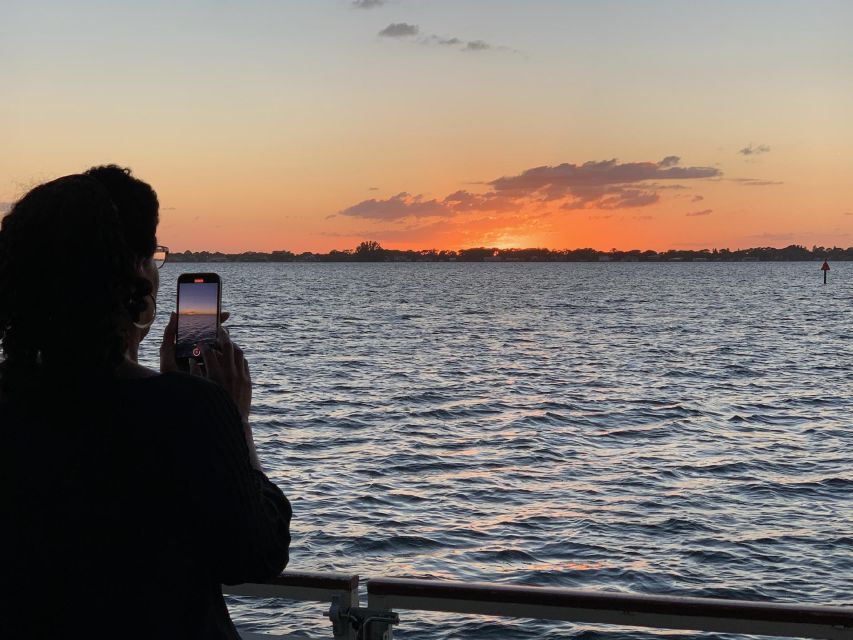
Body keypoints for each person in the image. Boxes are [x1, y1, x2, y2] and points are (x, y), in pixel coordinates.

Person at [0, 167, 292, 638]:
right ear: (135, 272)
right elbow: (257, 553)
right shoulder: (189, 412)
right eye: (154, 255)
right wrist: (235, 420)